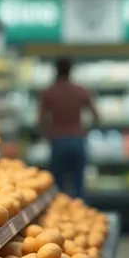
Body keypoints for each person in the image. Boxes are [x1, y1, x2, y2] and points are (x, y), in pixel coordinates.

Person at [38, 57, 100, 198]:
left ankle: (60, 218)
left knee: (58, 187)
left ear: (55, 70)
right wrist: (84, 129)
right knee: (79, 185)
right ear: (71, 70)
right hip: (77, 139)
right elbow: (96, 117)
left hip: (58, 140)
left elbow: (41, 120)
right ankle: (80, 215)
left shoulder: (49, 92)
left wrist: (47, 134)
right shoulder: (81, 91)